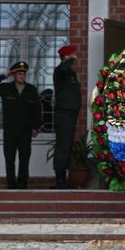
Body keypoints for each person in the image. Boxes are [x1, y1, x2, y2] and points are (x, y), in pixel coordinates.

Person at [0, 61, 41, 189]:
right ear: (14, 75)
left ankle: (22, 183)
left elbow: (37, 110)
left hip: (25, 130)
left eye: (23, 74)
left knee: (24, 158)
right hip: (10, 130)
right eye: (19, 73)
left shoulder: (31, 89)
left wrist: (35, 127)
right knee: (10, 158)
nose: (22, 76)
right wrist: (5, 75)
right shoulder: (6, 88)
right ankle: (11, 184)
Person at [52, 45, 81, 189]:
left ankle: (64, 178)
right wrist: (70, 59)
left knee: (68, 145)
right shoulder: (60, 71)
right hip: (63, 113)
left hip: (71, 114)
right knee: (63, 145)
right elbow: (63, 68)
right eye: (72, 54)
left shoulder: (70, 73)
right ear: (66, 57)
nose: (75, 56)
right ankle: (60, 180)